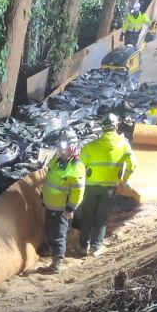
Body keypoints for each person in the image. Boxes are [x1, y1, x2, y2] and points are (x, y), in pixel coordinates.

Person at [77, 114, 136, 257]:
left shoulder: (91, 146)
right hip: (109, 188)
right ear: (116, 126)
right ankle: (95, 247)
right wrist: (125, 179)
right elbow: (133, 164)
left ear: (102, 128)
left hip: (90, 187)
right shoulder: (124, 145)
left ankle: (83, 246)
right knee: (101, 218)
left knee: (88, 217)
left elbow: (79, 166)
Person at [39, 131, 86, 274]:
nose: (62, 150)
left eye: (65, 147)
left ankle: (56, 264)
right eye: (60, 146)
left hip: (62, 209)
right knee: (50, 232)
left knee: (59, 236)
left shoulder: (77, 166)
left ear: (72, 147)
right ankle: (51, 253)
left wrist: (70, 209)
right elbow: (49, 174)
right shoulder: (57, 161)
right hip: (50, 206)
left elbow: (78, 192)